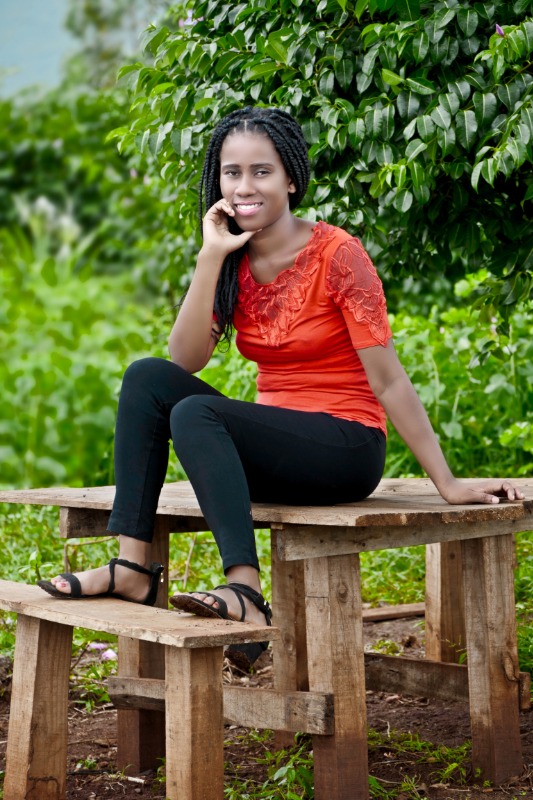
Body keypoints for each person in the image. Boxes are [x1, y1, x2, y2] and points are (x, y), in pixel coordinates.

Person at [38, 106, 524, 669]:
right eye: (232, 172)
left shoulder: (337, 254)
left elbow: (389, 378)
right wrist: (210, 256)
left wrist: (448, 482)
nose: (244, 187)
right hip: (278, 452)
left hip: (346, 446)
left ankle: (245, 591)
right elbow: (185, 359)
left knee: (196, 413)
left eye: (261, 172)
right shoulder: (231, 258)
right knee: (146, 376)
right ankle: (131, 569)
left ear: (290, 179)